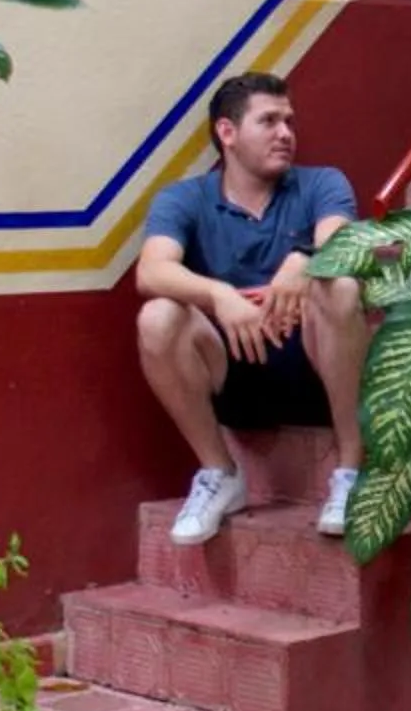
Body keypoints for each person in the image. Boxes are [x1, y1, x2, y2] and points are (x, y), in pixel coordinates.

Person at [135, 72, 366, 543]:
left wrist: (303, 258)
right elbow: (152, 271)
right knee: (157, 315)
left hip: (314, 364)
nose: (286, 133)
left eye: (289, 121)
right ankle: (221, 472)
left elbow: (339, 238)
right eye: (270, 121)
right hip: (231, 370)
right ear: (227, 132)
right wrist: (219, 296)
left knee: (338, 284)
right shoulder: (185, 198)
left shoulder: (322, 182)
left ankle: (350, 473)